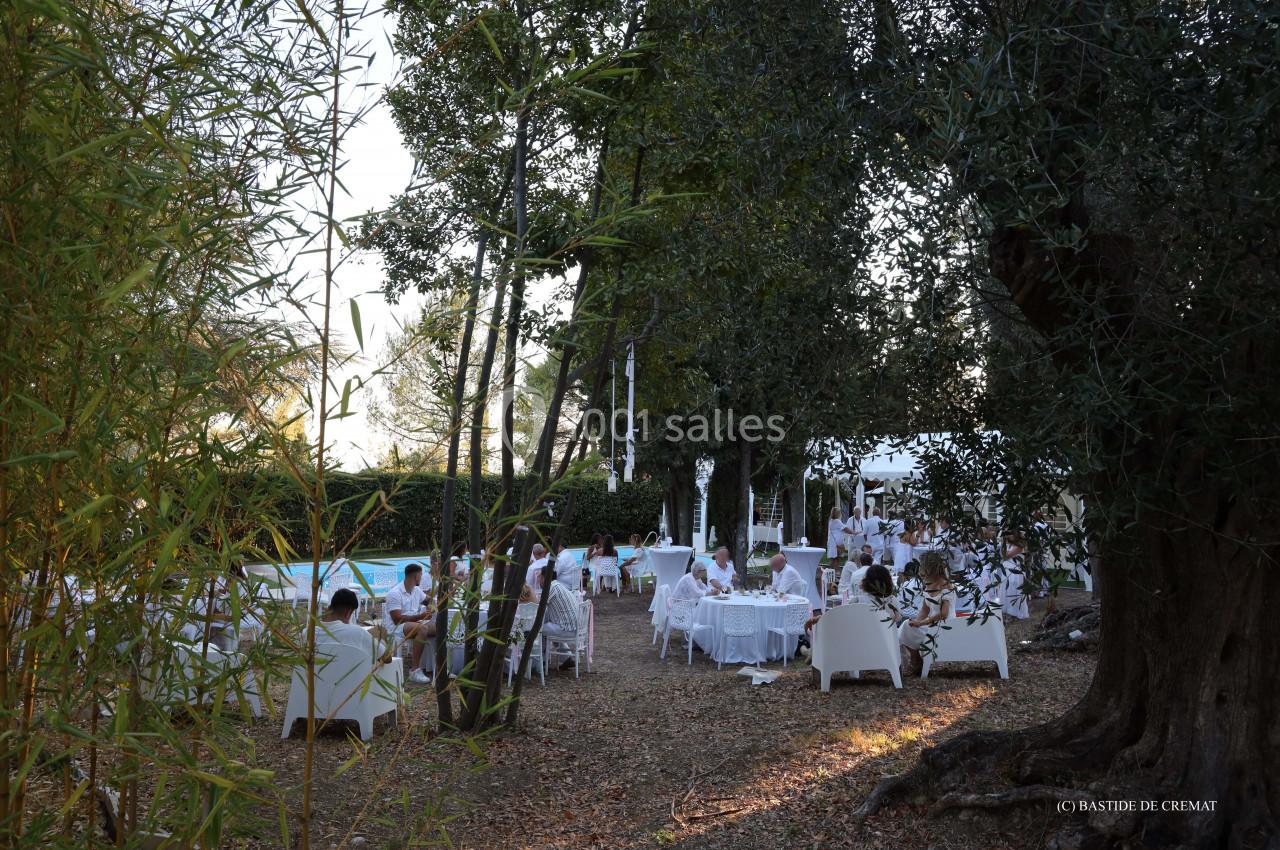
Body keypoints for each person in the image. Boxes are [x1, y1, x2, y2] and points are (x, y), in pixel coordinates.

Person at [898, 552, 955, 675]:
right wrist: (916, 622)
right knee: (906, 626)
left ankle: (916, 659)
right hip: (930, 624)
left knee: (905, 627)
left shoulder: (945, 586)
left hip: (944, 627)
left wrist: (922, 622)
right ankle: (916, 657)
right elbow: (925, 609)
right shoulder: (928, 584)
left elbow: (943, 614)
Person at [384, 563, 435, 684]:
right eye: (421, 575)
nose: (421, 578)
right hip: (396, 627)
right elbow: (397, 619)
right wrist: (421, 616)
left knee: (439, 628)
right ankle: (414, 670)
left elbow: (429, 600)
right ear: (416, 576)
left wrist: (431, 606)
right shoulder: (395, 593)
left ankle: (434, 665)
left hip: (414, 623)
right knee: (422, 629)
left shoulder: (416, 590)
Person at [319, 588, 380, 660]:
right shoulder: (357, 632)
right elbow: (387, 658)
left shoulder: (307, 633)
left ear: (329, 608)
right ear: (348, 613)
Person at [540, 578, 581, 670]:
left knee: (539, 629)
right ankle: (567, 659)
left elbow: (540, 605)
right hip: (576, 627)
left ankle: (541, 661)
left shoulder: (551, 588)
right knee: (550, 628)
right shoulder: (559, 586)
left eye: (539, 577)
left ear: (544, 578)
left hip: (568, 629)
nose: (538, 580)